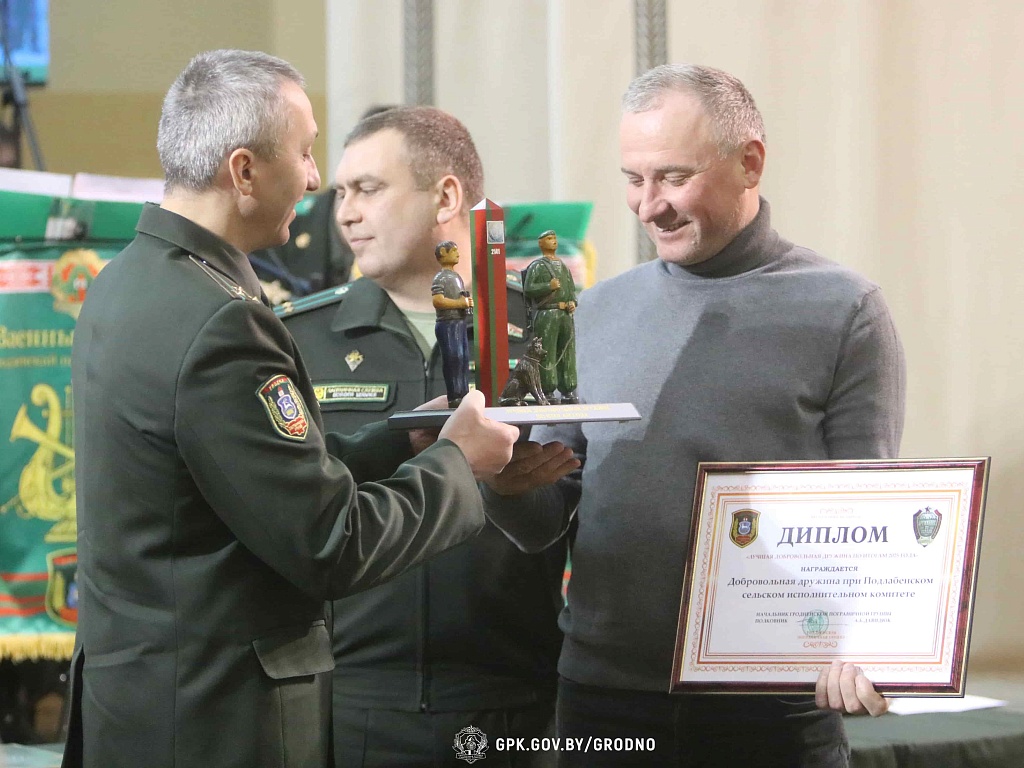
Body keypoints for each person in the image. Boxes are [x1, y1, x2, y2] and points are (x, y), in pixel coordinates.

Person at [62, 51, 519, 768]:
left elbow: (233, 481)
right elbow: (331, 541)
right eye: (305, 153)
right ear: (244, 172)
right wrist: (459, 462)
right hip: (215, 719)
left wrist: (399, 441)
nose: (313, 180)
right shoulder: (221, 321)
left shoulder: (125, 281)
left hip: (144, 701)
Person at [484, 63, 905, 767]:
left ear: (750, 163)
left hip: (773, 708)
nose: (649, 206)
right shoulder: (592, 312)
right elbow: (542, 520)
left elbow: (873, 517)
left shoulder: (844, 310)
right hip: (601, 699)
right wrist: (500, 482)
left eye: (674, 177)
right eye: (633, 179)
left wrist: (875, 649)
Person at [277, 105, 567, 768]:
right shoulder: (298, 338)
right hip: (351, 701)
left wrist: (512, 488)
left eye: (368, 189)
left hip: (515, 698)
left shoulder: (540, 329)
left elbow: (575, 505)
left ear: (446, 197)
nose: (345, 214)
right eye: (341, 193)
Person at [522, 230, 578, 404]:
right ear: (541, 243)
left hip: (565, 314)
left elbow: (571, 289)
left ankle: (568, 388)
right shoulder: (537, 266)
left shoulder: (563, 266)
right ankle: (548, 390)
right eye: (549, 238)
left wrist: (572, 302)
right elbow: (528, 289)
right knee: (547, 352)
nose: (553, 241)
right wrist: (548, 286)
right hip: (547, 313)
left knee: (567, 352)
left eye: (554, 238)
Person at [432, 241, 473, 407]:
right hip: (447, 323)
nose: (458, 253)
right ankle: (455, 395)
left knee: (463, 358)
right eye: (454, 250)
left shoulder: (456, 277)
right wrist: (460, 303)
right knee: (453, 358)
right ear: (443, 252)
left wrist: (466, 302)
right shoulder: (440, 278)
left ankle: (463, 393)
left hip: (459, 321)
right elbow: (438, 301)